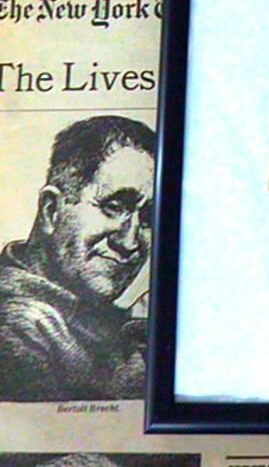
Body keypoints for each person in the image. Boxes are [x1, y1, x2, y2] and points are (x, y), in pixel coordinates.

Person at [0, 115, 154, 401]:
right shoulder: (19, 326)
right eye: (114, 206)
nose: (129, 242)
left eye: (147, 219)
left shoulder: (97, 319)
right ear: (51, 210)